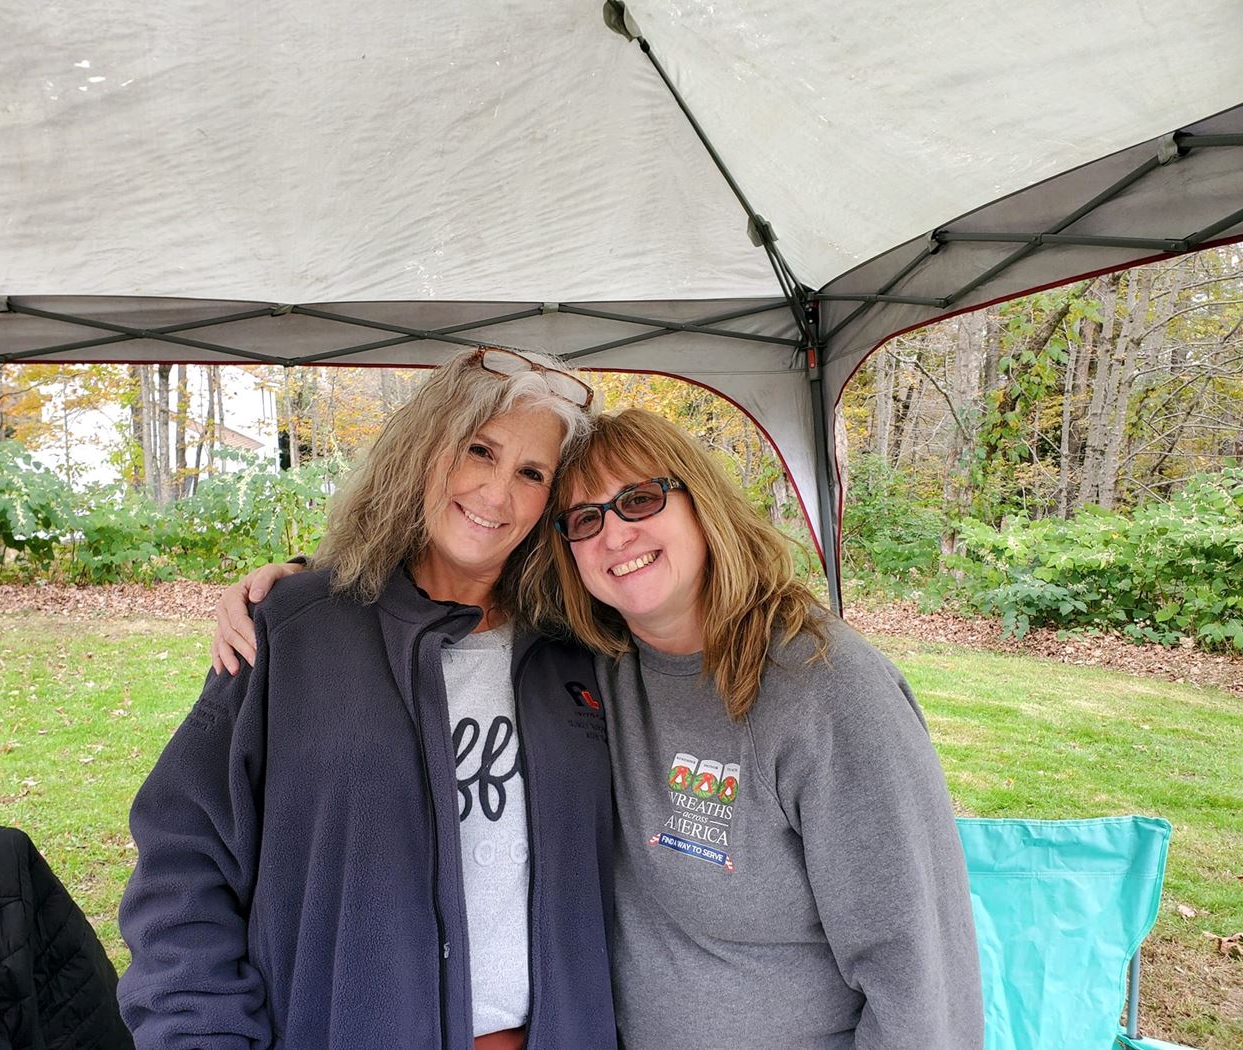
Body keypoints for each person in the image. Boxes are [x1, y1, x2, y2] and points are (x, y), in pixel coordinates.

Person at [214, 408, 984, 1049]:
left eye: (641, 500)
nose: (615, 534)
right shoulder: (595, 660)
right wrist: (304, 587)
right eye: (585, 518)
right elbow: (451, 571)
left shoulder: (827, 688)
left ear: (701, 502)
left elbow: (920, 976)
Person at [121, 347, 619, 1050]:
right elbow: (183, 860)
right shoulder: (292, 629)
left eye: (531, 473)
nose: (498, 494)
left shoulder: (585, 653)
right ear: (424, 449)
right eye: (480, 451)